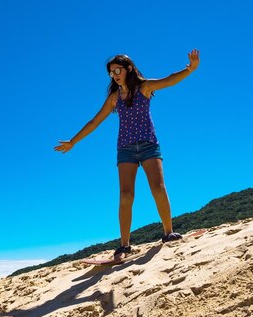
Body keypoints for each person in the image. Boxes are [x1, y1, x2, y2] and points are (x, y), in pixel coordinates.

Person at [54, 49, 200, 261]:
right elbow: (95, 121)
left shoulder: (144, 87)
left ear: (128, 68)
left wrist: (190, 69)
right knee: (126, 195)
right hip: (125, 149)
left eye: (118, 70)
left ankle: (168, 233)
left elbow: (169, 81)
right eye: (111, 72)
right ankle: (124, 245)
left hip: (149, 145)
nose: (115, 75)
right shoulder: (115, 98)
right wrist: (73, 142)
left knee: (158, 187)